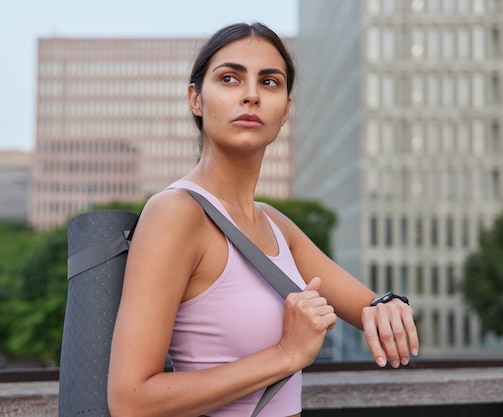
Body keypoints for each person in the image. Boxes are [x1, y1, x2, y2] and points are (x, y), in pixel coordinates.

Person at [107, 22, 419, 417]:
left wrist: (388, 306)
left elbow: (367, 306)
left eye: (269, 82)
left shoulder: (274, 224)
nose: (251, 95)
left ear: (286, 109)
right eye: (230, 78)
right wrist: (286, 354)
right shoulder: (176, 213)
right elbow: (131, 401)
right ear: (196, 99)